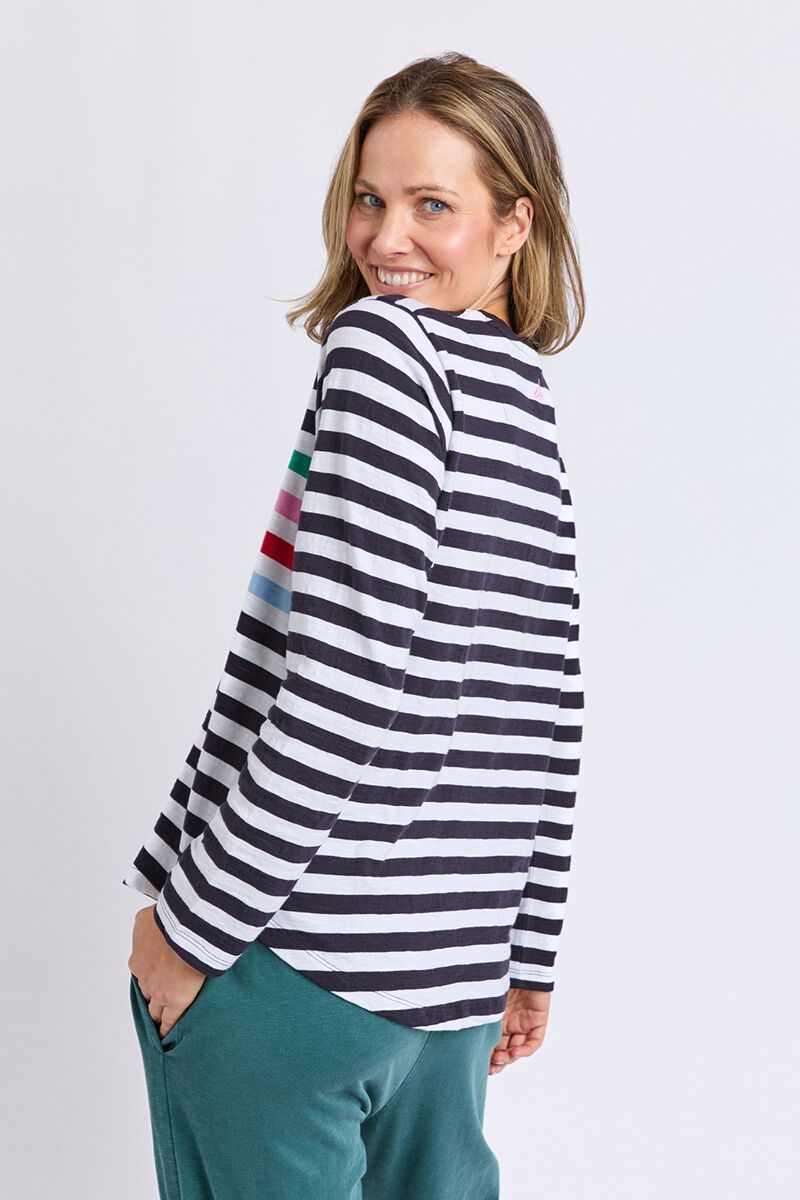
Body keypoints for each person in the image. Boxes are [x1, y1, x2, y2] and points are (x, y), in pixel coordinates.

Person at [124, 50, 586, 1200]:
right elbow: (546, 702)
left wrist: (190, 932)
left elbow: (340, 693)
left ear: (514, 224)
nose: (385, 239)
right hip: (450, 995)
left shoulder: (382, 349)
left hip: (294, 966)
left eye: (432, 204)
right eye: (369, 199)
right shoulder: (521, 396)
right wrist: (524, 954)